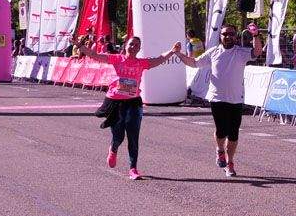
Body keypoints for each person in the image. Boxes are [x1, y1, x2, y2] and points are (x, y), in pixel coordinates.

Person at [82, 36, 184, 180]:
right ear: (125, 45)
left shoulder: (141, 63)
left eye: (137, 45)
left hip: (134, 102)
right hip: (116, 103)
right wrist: (79, 45)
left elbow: (159, 60)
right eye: (131, 44)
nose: (133, 47)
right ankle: (114, 148)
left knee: (133, 136)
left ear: (139, 48)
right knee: (118, 136)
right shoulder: (116, 59)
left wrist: (172, 51)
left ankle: (133, 168)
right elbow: (94, 55)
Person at [179, 24, 257, 177]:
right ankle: (220, 150)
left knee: (233, 133)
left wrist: (255, 36)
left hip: (235, 99)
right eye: (224, 34)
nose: (228, 37)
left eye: (231, 34)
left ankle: (230, 163)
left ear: (235, 36)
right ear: (220, 36)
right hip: (217, 98)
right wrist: (178, 54)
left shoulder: (241, 52)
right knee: (221, 131)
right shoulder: (213, 52)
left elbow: (257, 52)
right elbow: (194, 63)